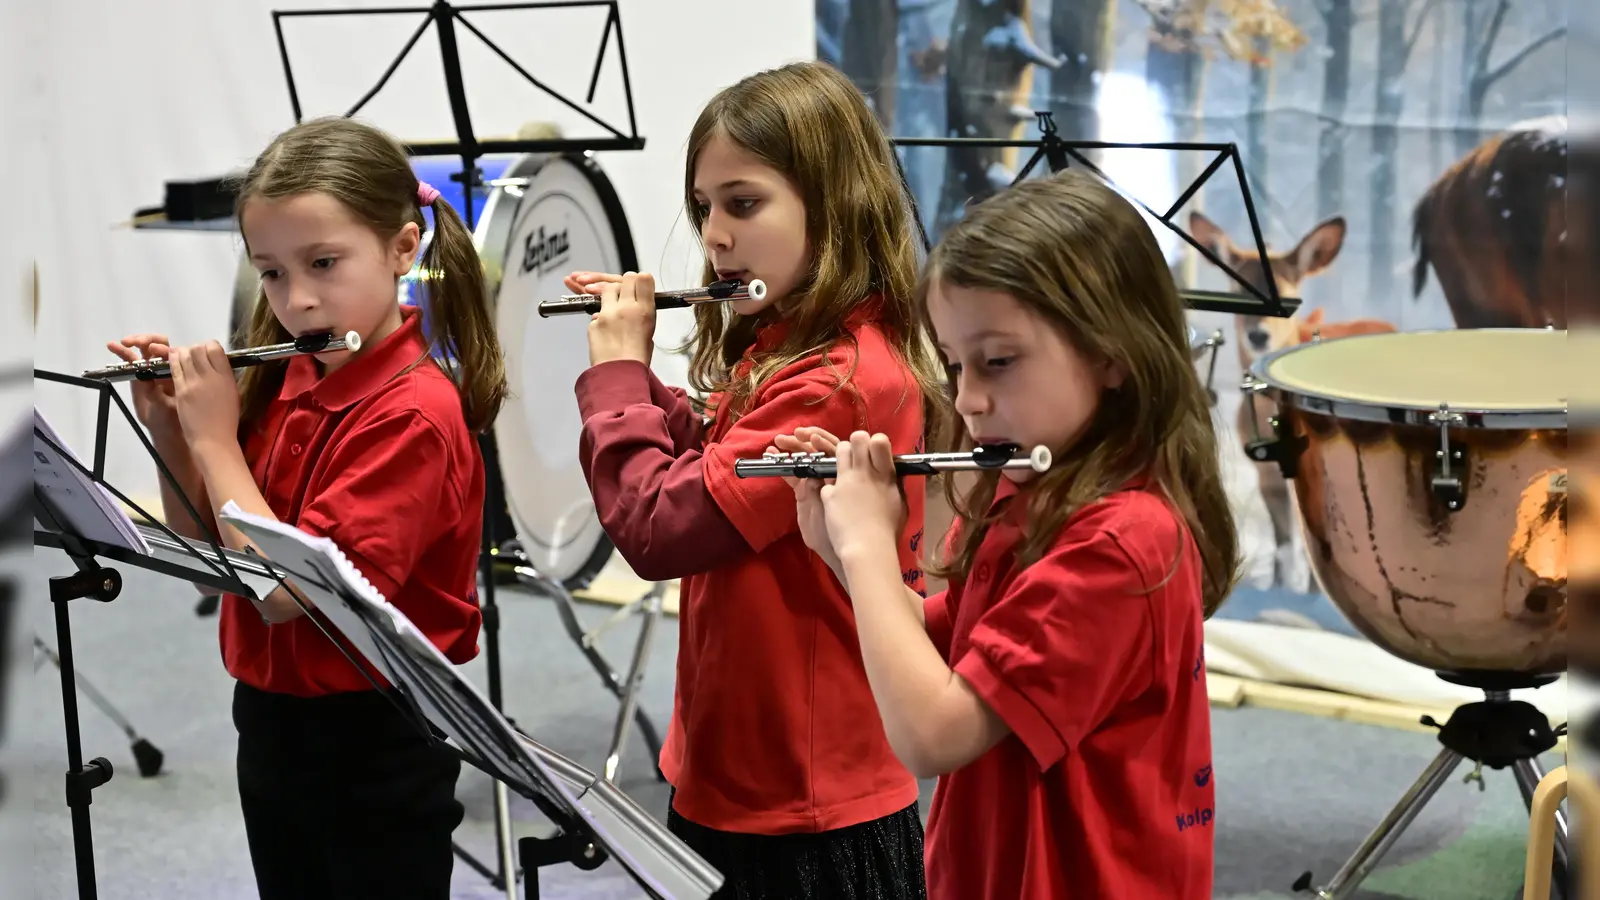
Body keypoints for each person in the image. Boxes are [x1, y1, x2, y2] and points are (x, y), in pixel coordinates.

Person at [781, 169, 1239, 899]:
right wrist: (839, 551)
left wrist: (871, 547)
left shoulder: (1119, 543)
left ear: (1111, 351)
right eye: (956, 364)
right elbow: (950, 649)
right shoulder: (1025, 494)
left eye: (999, 361)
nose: (968, 398)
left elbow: (934, 734)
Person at [564, 61, 943, 898]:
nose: (714, 237)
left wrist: (620, 382)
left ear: (833, 203)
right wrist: (646, 394)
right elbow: (711, 466)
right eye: (704, 208)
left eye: (743, 203)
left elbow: (660, 530)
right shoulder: (787, 347)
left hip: (805, 809)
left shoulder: (841, 381)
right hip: (743, 778)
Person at [106, 115, 506, 900]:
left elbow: (290, 593)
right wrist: (173, 434)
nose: (298, 300)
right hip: (270, 719)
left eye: (323, 263)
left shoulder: (412, 416)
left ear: (401, 248)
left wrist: (217, 440)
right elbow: (214, 567)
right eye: (273, 273)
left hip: (378, 732)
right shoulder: (284, 385)